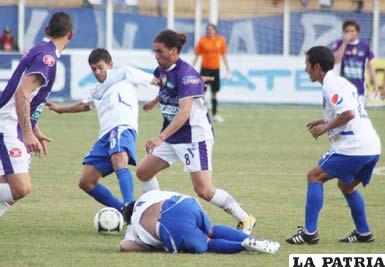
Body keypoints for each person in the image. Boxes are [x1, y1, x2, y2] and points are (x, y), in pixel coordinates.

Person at [136, 29, 256, 235]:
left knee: (204, 190)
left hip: (194, 137)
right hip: (172, 136)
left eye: (160, 51)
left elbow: (184, 113)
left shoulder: (186, 75)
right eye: (155, 51)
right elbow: (165, 87)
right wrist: (155, 101)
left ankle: (246, 219)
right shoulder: (161, 69)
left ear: (174, 51)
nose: (156, 55)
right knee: (143, 172)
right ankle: (156, 214)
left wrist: (159, 137)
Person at [286, 46, 381, 244]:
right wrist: (324, 121)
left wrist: (326, 127)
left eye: (307, 65)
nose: (306, 69)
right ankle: (364, 232)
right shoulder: (340, 82)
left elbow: (349, 114)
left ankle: (309, 232)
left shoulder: (331, 85)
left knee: (314, 176)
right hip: (371, 147)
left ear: (317, 66)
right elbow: (347, 111)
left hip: (354, 148)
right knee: (346, 186)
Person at [46, 48, 157, 212]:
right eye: (93, 69)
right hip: (104, 135)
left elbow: (155, 80)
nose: (97, 72)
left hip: (122, 127)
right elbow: (84, 105)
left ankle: (129, 204)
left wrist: (168, 89)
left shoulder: (124, 73)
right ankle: (126, 211)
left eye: (100, 67)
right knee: (86, 181)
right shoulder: (96, 90)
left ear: (110, 64)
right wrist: (61, 109)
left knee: (119, 159)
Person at [0, 12, 73, 217]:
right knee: (20, 187)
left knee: (9, 188)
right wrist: (27, 132)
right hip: (7, 125)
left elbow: (29, 98)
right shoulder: (47, 58)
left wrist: (33, 128)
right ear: (71, 35)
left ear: (47, 30)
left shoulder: (40, 49)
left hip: (13, 124)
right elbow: (22, 92)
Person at [119, 190, 280, 254]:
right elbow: (177, 195)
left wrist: (152, 249)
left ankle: (244, 245)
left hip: (169, 228)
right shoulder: (147, 195)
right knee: (210, 229)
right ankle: (252, 239)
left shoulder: (133, 226)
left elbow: (124, 246)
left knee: (207, 242)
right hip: (185, 204)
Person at [331, 20, 377, 105]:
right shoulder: (339, 44)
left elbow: (370, 66)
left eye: (352, 31)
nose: (349, 33)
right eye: (347, 31)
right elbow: (336, 60)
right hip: (342, 88)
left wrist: (375, 83)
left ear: (357, 32)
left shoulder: (364, 46)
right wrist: (345, 43)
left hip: (359, 88)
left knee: (358, 115)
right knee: (343, 115)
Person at [192, 23, 230, 122]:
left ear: (215, 30)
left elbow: (224, 55)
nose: (210, 31)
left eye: (212, 29)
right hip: (205, 70)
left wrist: (227, 68)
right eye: (208, 29)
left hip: (215, 70)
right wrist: (191, 67)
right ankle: (200, 115)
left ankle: (214, 114)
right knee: (201, 92)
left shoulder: (220, 40)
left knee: (214, 93)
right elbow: (197, 55)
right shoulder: (202, 41)